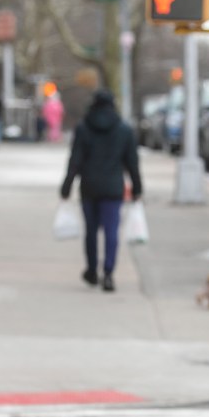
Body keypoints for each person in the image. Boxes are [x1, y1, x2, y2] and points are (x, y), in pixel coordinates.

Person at [60, 88, 142, 292]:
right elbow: (132, 162)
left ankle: (91, 270)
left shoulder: (83, 128)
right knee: (111, 231)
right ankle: (108, 273)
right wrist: (137, 188)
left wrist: (67, 185)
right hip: (114, 188)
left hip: (89, 187)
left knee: (91, 231)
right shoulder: (123, 129)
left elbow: (75, 160)